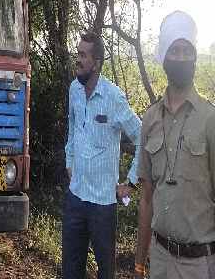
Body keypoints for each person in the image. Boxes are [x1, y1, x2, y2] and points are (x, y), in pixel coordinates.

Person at [134, 11, 215, 278]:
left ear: (194, 56)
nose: (181, 57)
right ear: (164, 58)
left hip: (200, 265)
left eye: (186, 51)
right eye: (174, 51)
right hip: (159, 260)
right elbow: (146, 198)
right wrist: (138, 263)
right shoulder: (150, 119)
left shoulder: (210, 119)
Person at [63, 31, 142, 279]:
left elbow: (143, 138)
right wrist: (69, 161)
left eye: (83, 55)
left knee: (106, 272)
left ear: (96, 63)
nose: (78, 59)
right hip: (75, 198)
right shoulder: (74, 89)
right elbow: (72, 129)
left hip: (102, 206)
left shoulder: (114, 97)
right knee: (70, 271)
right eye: (78, 53)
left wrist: (130, 183)